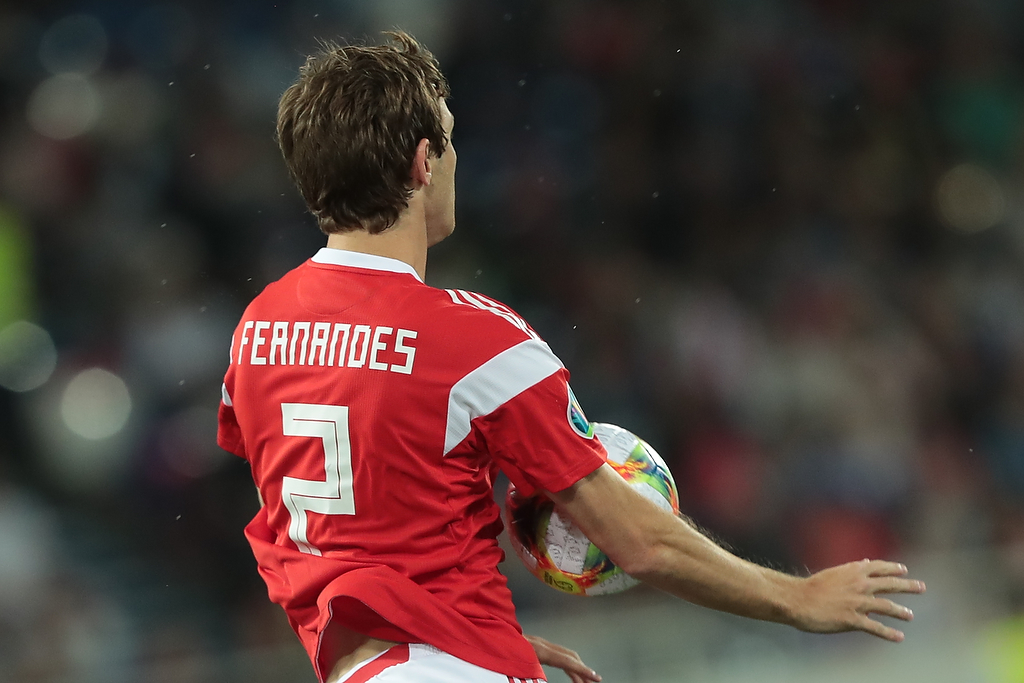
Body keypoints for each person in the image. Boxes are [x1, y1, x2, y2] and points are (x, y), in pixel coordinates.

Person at [217, 31, 925, 683]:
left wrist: (466, 638)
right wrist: (797, 596)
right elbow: (640, 542)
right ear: (424, 161)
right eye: (451, 141)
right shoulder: (475, 341)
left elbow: (320, 523)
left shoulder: (256, 332)